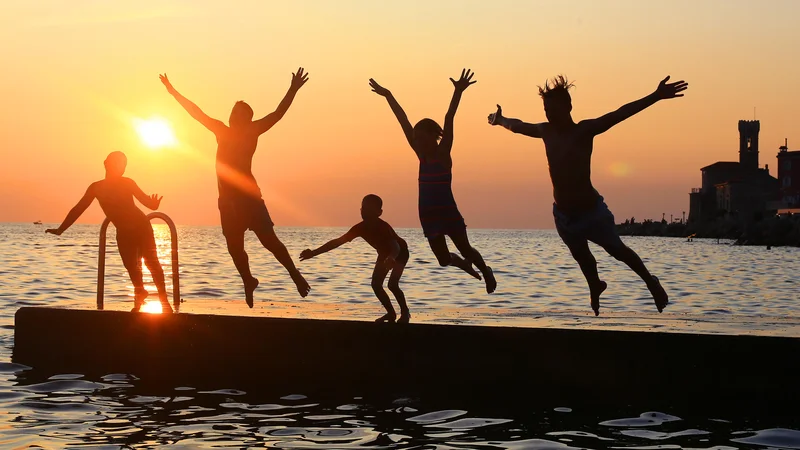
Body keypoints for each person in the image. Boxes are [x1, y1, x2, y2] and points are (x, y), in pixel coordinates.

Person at [488, 75, 687, 315]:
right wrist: (500, 120)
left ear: (569, 107)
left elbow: (619, 113)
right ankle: (596, 285)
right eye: (546, 109)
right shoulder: (545, 131)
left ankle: (650, 282)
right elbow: (517, 125)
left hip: (591, 212)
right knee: (583, 258)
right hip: (563, 215)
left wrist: (655, 96)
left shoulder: (584, 130)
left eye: (553, 109)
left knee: (617, 251)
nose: (549, 114)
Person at [160, 69, 311, 307]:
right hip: (228, 202)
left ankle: (295, 274)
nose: (233, 116)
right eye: (233, 112)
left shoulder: (252, 131)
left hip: (250, 199)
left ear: (248, 119)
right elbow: (195, 112)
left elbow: (278, 113)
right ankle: (248, 280)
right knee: (234, 248)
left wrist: (293, 89)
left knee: (269, 241)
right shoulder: (221, 131)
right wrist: (172, 91)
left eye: (239, 114)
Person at [368, 69, 496, 294]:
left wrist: (457, 92)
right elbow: (403, 120)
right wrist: (388, 95)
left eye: (420, 137)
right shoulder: (421, 155)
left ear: (431, 136)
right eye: (415, 138)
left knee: (465, 248)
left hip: (448, 212)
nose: (416, 141)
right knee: (443, 260)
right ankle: (463, 265)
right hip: (428, 215)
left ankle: (485, 270)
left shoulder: (443, 153)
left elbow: (449, 117)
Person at [46, 151, 171, 313]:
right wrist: (61, 229)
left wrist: (154, 204)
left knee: (151, 262)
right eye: (118, 164)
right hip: (124, 232)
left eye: (124, 165)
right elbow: (78, 209)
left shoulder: (128, 183)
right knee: (131, 266)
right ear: (106, 164)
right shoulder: (96, 188)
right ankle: (140, 294)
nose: (122, 168)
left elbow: (149, 204)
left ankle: (164, 302)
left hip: (141, 227)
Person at [300, 195, 410, 323]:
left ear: (379, 213)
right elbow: (337, 242)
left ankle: (405, 313)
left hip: (400, 253)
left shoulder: (383, 226)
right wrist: (313, 253)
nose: (364, 212)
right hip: (383, 254)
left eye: (369, 209)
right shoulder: (359, 228)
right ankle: (391, 313)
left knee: (392, 284)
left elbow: (395, 246)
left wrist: (392, 258)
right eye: (363, 208)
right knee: (376, 284)